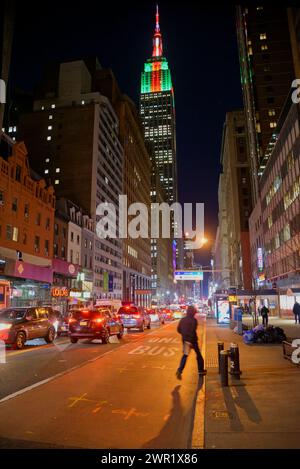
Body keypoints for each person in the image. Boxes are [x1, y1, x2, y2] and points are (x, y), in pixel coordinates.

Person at [176, 305, 207, 380]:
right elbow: (193, 331)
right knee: (199, 355)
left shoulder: (182, 320)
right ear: (193, 312)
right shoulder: (194, 320)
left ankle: (180, 370)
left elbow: (178, 329)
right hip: (192, 341)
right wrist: (191, 341)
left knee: (185, 355)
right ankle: (201, 370)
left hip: (186, 341)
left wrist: (184, 335)